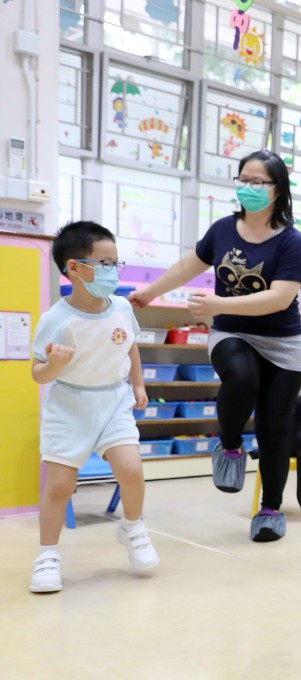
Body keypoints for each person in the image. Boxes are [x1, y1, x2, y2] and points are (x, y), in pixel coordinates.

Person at [129, 149, 301, 542]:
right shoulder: (223, 231)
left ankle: (270, 510)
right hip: (231, 333)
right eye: (243, 179)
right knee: (240, 376)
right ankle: (229, 447)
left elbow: (279, 299)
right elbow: (186, 267)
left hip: (284, 343)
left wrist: (217, 303)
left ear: (277, 189)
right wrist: (149, 292)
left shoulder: (292, 243)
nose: (248, 187)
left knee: (273, 429)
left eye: (258, 181)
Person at [29, 221, 158, 593]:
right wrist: (55, 364)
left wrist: (138, 383)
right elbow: (38, 372)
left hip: (113, 400)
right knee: (59, 485)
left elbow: (130, 345)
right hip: (68, 405)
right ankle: (48, 556)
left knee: (131, 470)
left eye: (115, 263)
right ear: (74, 268)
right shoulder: (56, 318)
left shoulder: (119, 306)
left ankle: (132, 527)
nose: (112, 271)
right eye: (104, 263)